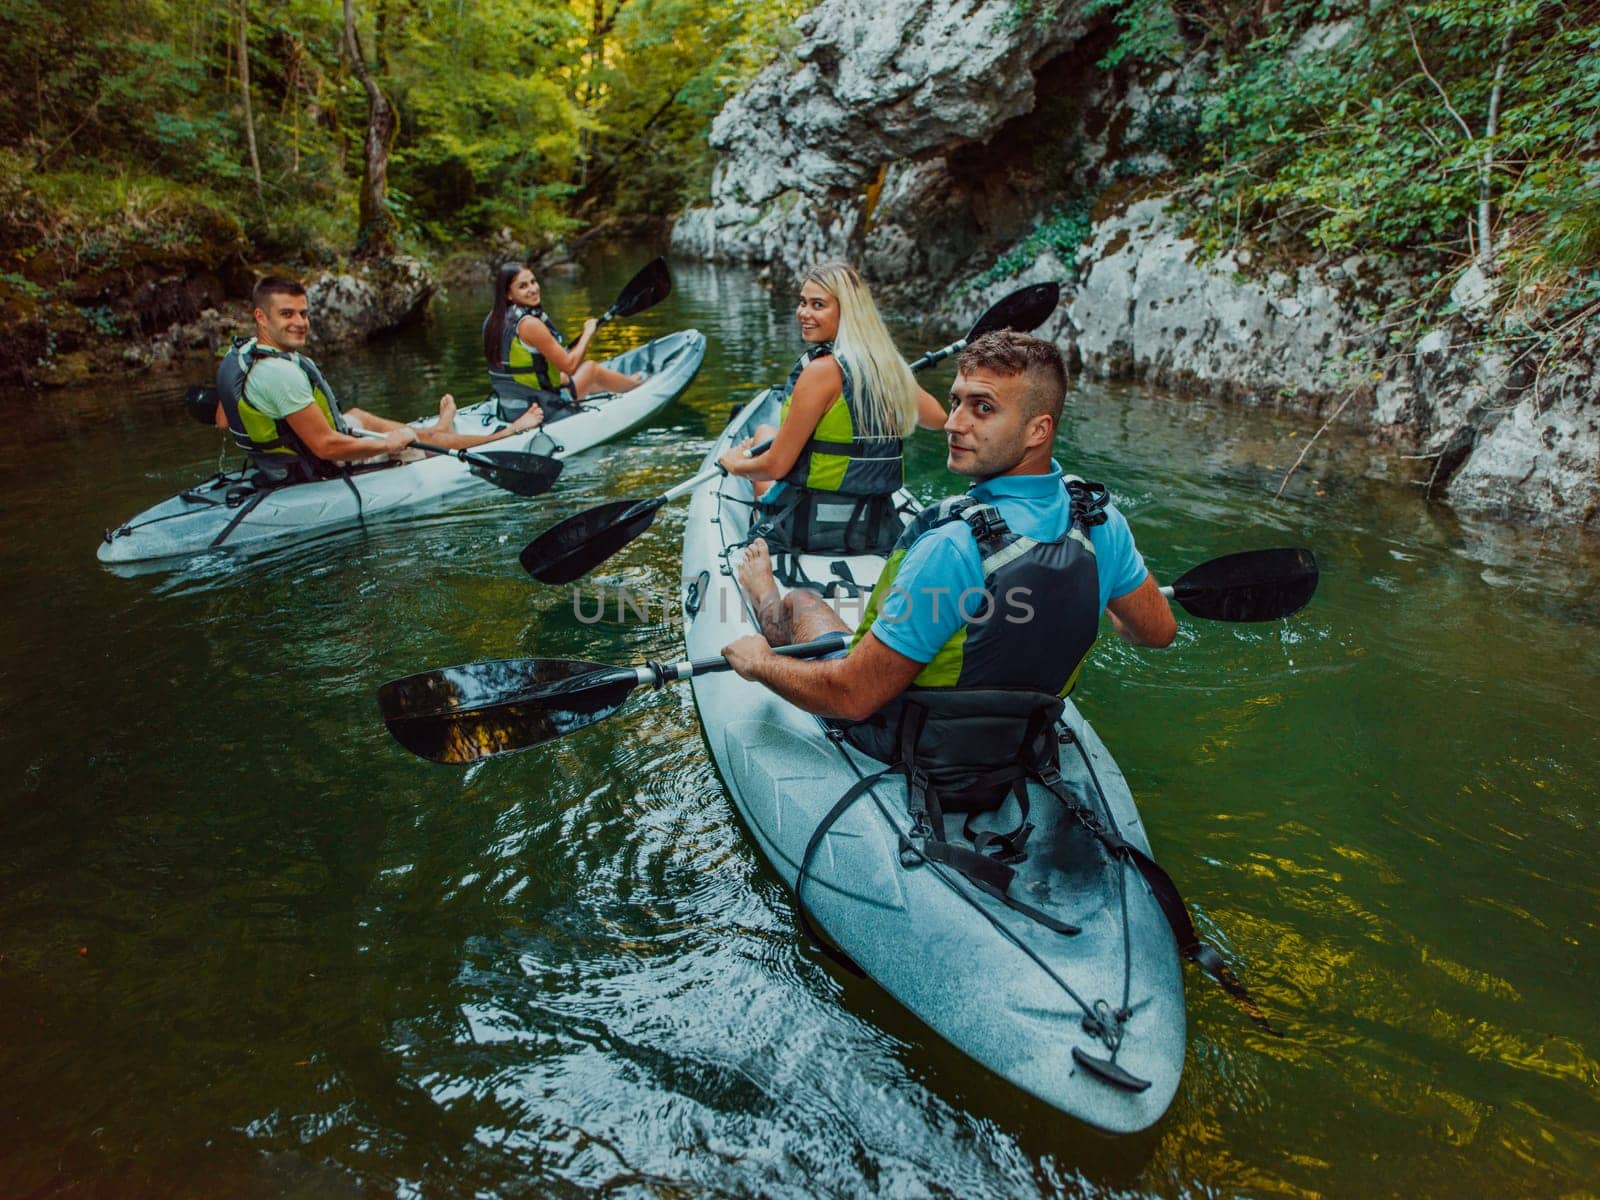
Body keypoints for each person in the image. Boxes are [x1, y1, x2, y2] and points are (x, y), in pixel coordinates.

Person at [721, 329, 1175, 729]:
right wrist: (1111, 602)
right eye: (956, 401)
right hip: (1022, 735)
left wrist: (760, 665)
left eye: (983, 408)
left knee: (800, 602)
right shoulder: (1100, 523)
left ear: (1038, 430)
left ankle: (763, 592)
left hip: (912, 737)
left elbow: (853, 698)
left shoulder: (950, 546)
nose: (954, 423)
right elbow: (1156, 632)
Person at [714, 261, 947, 557]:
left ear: (847, 312)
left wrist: (735, 463)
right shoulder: (888, 368)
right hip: (875, 527)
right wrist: (898, 379)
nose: (803, 313)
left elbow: (775, 466)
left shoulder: (821, 371)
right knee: (764, 432)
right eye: (802, 302)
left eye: (818, 305)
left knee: (761, 447)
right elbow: (938, 419)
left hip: (807, 526)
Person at [215, 276, 543, 483]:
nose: (300, 322)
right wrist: (386, 444)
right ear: (261, 316)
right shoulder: (280, 374)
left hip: (287, 457)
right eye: (286, 314)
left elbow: (222, 418)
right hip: (316, 464)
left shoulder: (244, 354)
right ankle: (509, 433)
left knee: (364, 417)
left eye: (303, 313)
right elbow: (326, 447)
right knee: (424, 446)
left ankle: (440, 428)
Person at [483, 262, 642, 420]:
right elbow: (570, 365)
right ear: (508, 294)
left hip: (511, 407)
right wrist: (587, 333)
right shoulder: (529, 324)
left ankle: (621, 383)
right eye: (523, 286)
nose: (533, 289)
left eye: (533, 281)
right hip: (539, 410)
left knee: (564, 378)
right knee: (591, 369)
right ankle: (638, 388)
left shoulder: (493, 319)